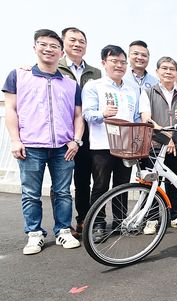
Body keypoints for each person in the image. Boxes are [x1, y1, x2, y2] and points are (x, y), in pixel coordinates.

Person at [2, 29, 83, 254]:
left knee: (63, 191)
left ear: (60, 51)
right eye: (43, 44)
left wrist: (76, 140)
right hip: (31, 145)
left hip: (63, 147)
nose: (48, 49)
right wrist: (15, 140)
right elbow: (11, 109)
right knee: (30, 192)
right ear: (35, 47)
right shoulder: (19, 75)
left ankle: (63, 231)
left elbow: (78, 115)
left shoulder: (70, 84)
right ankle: (34, 234)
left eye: (54, 46)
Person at [82, 45, 141, 242]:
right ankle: (98, 225)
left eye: (122, 62)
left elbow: (134, 117)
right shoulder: (94, 85)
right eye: (114, 61)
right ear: (103, 63)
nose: (119, 65)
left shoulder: (131, 90)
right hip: (102, 145)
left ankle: (120, 222)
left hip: (125, 146)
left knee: (122, 185)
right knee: (100, 186)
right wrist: (103, 114)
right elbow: (87, 114)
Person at [139, 57, 177, 231]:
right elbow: (146, 118)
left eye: (172, 69)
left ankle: (176, 216)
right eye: (165, 68)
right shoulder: (148, 91)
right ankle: (152, 219)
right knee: (151, 183)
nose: (169, 72)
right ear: (157, 72)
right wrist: (166, 137)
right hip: (155, 145)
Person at [58, 27, 101, 237]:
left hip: (91, 133)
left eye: (81, 41)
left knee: (89, 179)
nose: (77, 44)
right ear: (63, 43)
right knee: (63, 183)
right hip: (63, 134)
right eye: (72, 40)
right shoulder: (54, 68)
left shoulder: (96, 72)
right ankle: (63, 226)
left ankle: (86, 219)